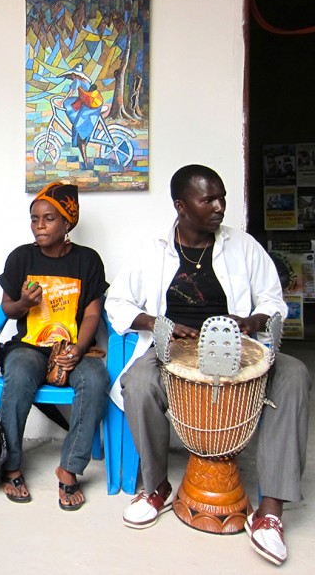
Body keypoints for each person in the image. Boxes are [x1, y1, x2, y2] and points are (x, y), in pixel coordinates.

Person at [105, 164, 312, 566]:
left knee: (294, 375)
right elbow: (118, 303)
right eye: (209, 199)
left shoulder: (244, 245)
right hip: (174, 352)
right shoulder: (152, 249)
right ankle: (156, 486)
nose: (220, 207)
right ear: (181, 206)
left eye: (222, 198)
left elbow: (273, 301)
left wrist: (253, 321)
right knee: (138, 382)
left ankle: (270, 511)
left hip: (242, 349)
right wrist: (156, 323)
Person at [0, 182, 109, 510]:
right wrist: (22, 303)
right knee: (16, 376)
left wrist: (79, 347)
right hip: (30, 346)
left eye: (48, 219)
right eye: (34, 219)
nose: (39, 226)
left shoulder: (87, 261)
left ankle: (70, 468)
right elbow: (7, 309)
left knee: (95, 378)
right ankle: (11, 464)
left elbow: (92, 312)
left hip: (73, 346)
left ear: (67, 222)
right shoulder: (21, 257)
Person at [60, 64, 104, 169]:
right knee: (78, 121)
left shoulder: (77, 81)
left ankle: (84, 154)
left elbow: (71, 92)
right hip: (92, 105)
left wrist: (62, 101)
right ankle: (83, 149)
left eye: (72, 75)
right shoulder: (86, 82)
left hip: (89, 108)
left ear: (75, 75)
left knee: (78, 127)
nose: (72, 77)